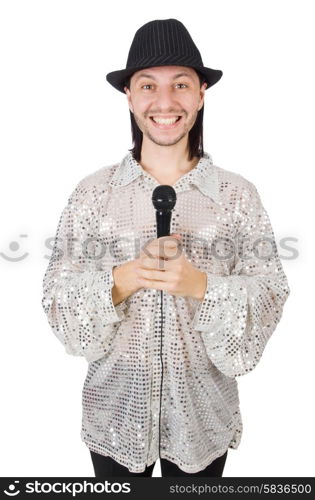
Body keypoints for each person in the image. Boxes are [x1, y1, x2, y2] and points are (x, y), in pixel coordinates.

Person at [41, 18, 290, 478]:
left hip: (202, 420)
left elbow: (271, 294)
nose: (165, 102)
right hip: (114, 414)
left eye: (180, 84)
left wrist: (200, 286)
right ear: (130, 96)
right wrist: (124, 279)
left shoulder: (238, 197)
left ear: (200, 94)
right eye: (148, 85)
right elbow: (56, 299)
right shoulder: (93, 194)